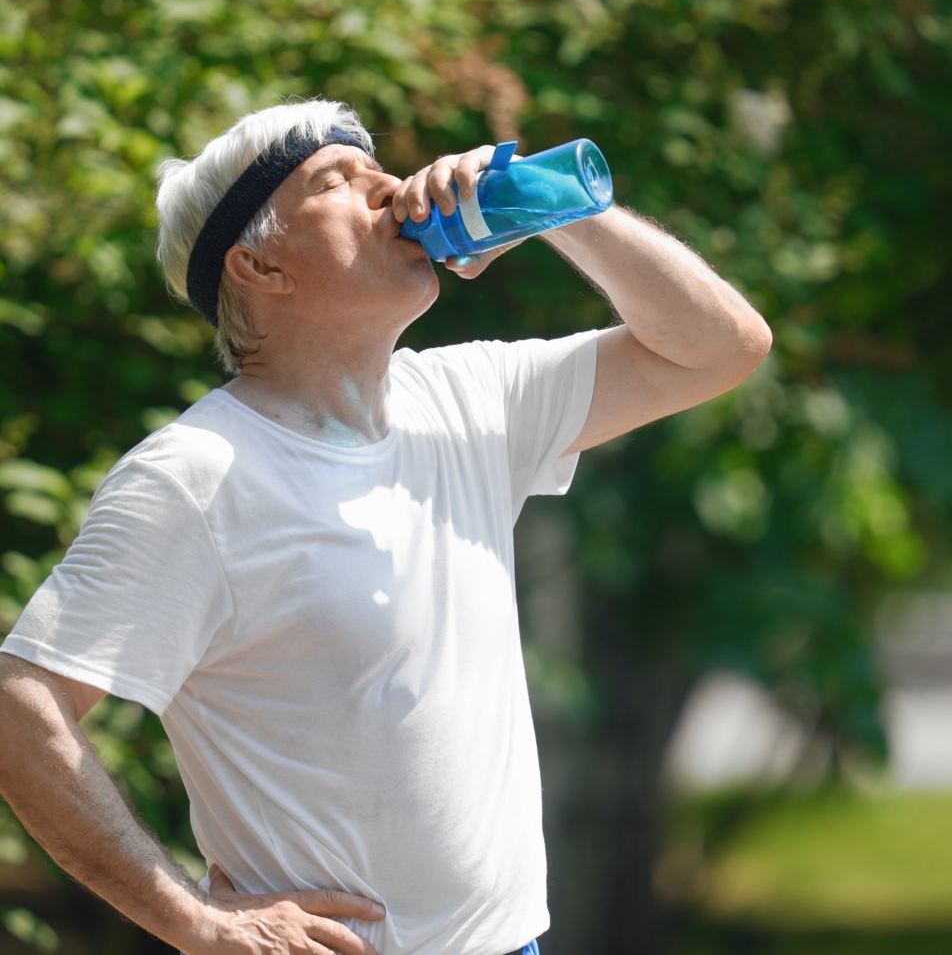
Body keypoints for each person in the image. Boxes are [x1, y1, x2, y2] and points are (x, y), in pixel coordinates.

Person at [0, 97, 771, 955]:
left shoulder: (466, 400)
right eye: (339, 180)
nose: (394, 189)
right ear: (260, 266)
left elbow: (720, 345)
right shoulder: (195, 477)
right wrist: (196, 921)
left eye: (380, 168)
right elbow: (22, 708)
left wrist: (562, 209)